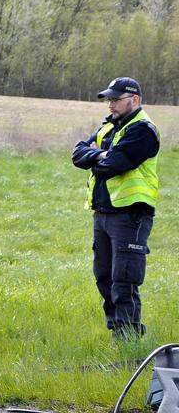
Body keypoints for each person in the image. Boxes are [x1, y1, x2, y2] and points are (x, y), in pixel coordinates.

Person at [72, 77, 159, 341]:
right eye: (109, 100)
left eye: (115, 99)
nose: (110, 105)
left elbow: (114, 165)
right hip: (103, 213)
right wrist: (100, 155)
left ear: (134, 100)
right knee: (104, 276)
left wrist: (98, 158)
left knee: (124, 279)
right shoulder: (109, 127)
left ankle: (129, 338)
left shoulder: (143, 130)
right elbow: (77, 154)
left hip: (130, 215)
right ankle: (116, 333)